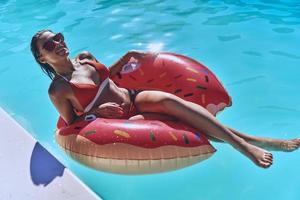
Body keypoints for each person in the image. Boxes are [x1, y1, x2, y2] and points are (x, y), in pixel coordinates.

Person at [31, 29, 300, 169]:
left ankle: (249, 144)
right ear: (43, 58)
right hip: (124, 120)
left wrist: (126, 57)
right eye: (50, 45)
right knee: (188, 123)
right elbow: (72, 122)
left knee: (175, 104)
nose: (59, 44)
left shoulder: (85, 57)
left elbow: (104, 77)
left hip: (134, 97)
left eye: (59, 37)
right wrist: (97, 114)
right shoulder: (58, 90)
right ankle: (252, 144)